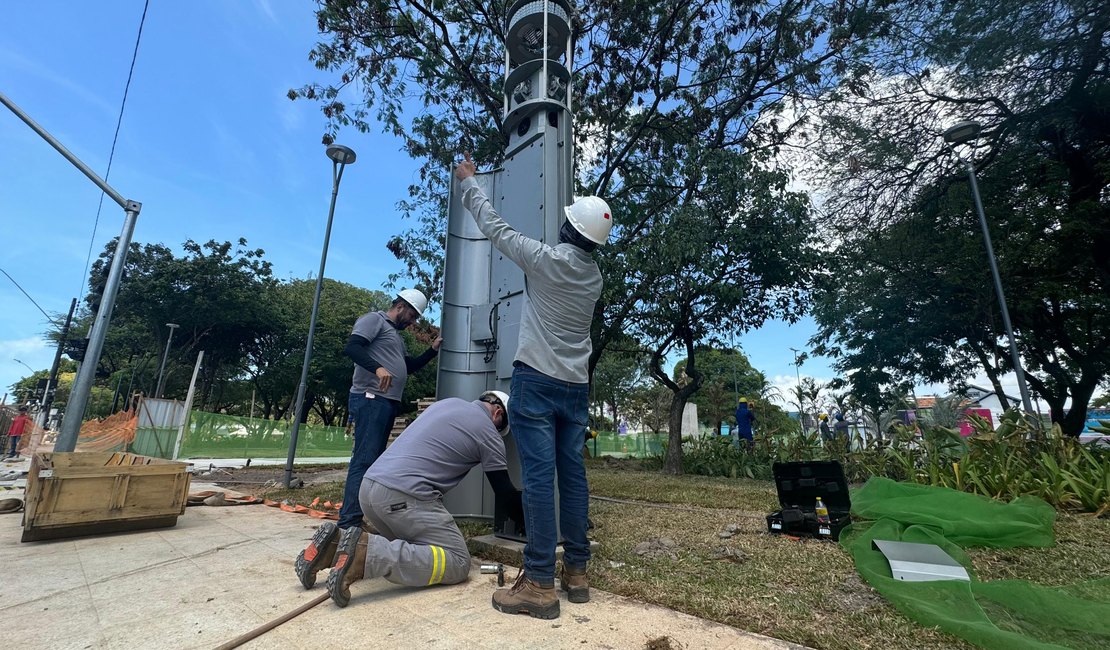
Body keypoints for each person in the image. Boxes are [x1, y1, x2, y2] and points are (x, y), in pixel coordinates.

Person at [454, 152, 613, 620]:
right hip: (574, 388)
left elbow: (496, 229)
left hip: (536, 383)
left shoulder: (544, 261)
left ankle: (540, 582)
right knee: (574, 476)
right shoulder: (595, 279)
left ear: (568, 231)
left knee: (540, 479)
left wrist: (469, 183)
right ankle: (577, 573)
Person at [293, 391, 522, 608]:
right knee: (458, 561)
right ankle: (366, 554)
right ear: (498, 413)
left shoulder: (448, 404)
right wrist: (530, 525)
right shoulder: (488, 432)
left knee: (420, 549)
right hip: (402, 497)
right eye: (500, 428)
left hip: (369, 490)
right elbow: (504, 493)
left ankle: (332, 545)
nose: (497, 431)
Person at [331, 290, 442, 533]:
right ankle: (348, 523)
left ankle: (356, 517)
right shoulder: (374, 320)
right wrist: (378, 368)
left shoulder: (395, 336)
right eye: (411, 315)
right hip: (371, 398)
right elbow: (352, 348)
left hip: (386, 402)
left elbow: (408, 367)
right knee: (363, 461)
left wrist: (432, 351)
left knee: (372, 462)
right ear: (401, 306)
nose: (412, 321)